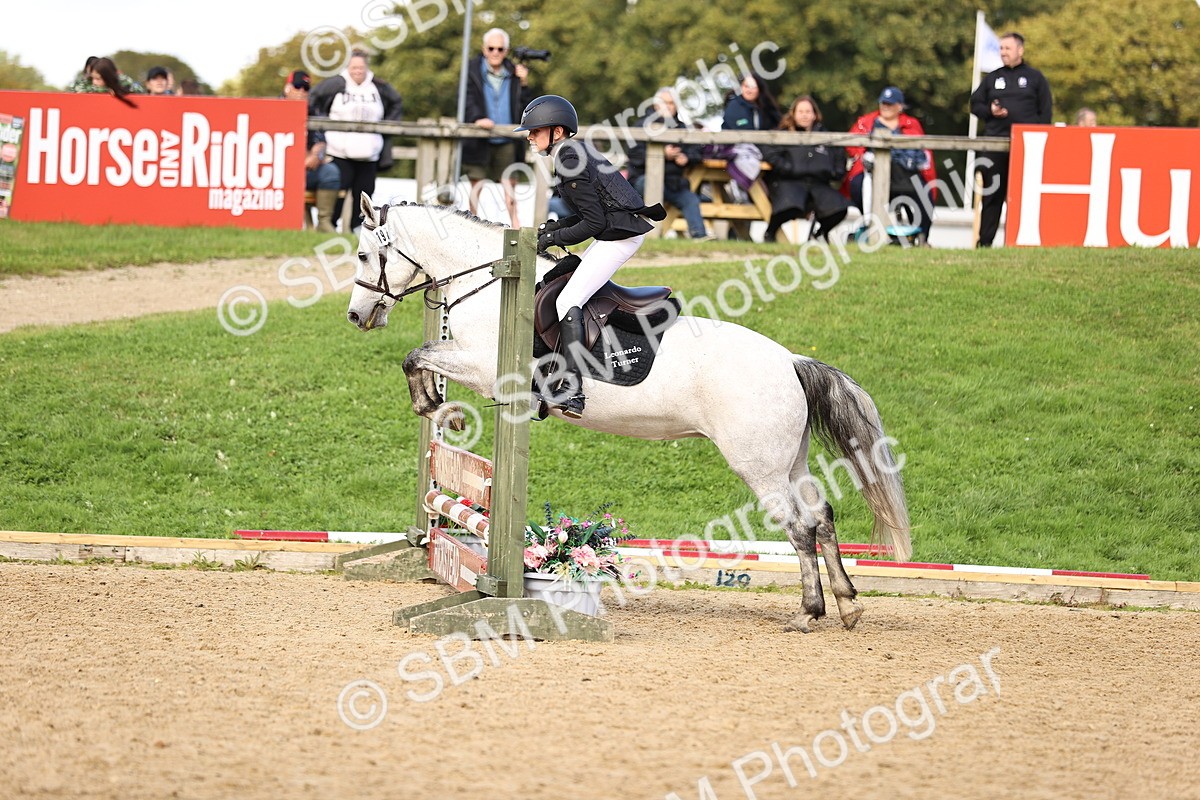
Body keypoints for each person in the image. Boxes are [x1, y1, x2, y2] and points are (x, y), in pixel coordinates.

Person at [515, 95, 665, 419]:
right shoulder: (571, 152)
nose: (529, 136)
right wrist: (554, 230)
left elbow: (594, 223)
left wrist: (554, 238)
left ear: (556, 131)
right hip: (613, 232)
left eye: (534, 130)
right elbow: (590, 214)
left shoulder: (568, 158)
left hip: (620, 238)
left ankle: (573, 389)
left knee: (566, 299)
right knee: (564, 285)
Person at [969, 32, 1052, 247]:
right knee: (992, 194)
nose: (1003, 52)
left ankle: (1024, 242)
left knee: (1026, 195)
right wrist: (990, 111)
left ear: (1020, 50)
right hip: (995, 145)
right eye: (1001, 48)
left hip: (1027, 148)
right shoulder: (993, 78)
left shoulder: (1035, 78)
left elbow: (1046, 113)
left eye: (1007, 48)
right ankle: (984, 243)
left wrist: (1038, 141)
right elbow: (975, 105)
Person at [309, 50, 403, 233]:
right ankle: (329, 229)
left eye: (361, 67)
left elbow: (397, 102)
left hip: (369, 154)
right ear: (347, 67)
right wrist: (321, 127)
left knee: (365, 195)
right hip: (339, 152)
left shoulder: (380, 87)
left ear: (366, 67)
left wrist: (388, 126)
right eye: (354, 67)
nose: (357, 71)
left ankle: (358, 230)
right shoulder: (334, 84)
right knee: (338, 193)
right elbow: (313, 101)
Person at [845, 86, 937, 243]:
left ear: (900, 106)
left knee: (924, 193)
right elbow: (852, 145)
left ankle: (921, 237)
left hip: (905, 175)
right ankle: (871, 228)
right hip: (871, 174)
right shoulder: (866, 122)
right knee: (857, 186)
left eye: (890, 104)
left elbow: (923, 153)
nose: (886, 107)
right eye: (883, 103)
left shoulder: (911, 124)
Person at [462, 28, 533, 228]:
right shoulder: (471, 69)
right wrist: (477, 118)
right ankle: (471, 224)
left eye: (500, 49)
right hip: (479, 136)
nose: (495, 52)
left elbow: (526, 105)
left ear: (506, 51)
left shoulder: (515, 72)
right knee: (476, 184)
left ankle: (516, 228)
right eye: (491, 48)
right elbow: (466, 99)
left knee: (510, 185)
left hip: (507, 137)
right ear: (484, 49)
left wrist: (524, 83)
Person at [760, 95, 849, 243]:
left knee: (839, 208)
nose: (804, 115)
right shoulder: (782, 134)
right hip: (789, 182)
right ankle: (770, 232)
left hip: (818, 184)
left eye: (808, 111)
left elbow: (839, 157)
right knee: (790, 206)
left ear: (815, 114)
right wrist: (786, 166)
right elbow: (768, 151)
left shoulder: (826, 136)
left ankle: (820, 234)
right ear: (793, 114)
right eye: (801, 111)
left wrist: (834, 172)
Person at [625, 88, 709, 241]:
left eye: (672, 103)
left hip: (673, 183)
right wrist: (663, 154)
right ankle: (649, 235)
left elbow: (698, 152)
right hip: (643, 180)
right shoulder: (642, 125)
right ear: (656, 105)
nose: (668, 106)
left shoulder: (682, 128)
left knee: (690, 199)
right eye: (665, 103)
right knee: (649, 183)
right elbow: (633, 154)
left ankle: (700, 236)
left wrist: (686, 157)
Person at [283, 69, 341, 232]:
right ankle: (302, 226)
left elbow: (321, 142)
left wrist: (316, 154)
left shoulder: (313, 110)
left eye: (306, 89)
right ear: (288, 88)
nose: (301, 92)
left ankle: (323, 223)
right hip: (279, 171)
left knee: (330, 172)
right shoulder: (274, 108)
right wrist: (297, 159)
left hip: (307, 168)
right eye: (297, 87)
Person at [717, 73, 782, 192]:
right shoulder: (734, 106)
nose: (749, 90)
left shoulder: (766, 107)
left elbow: (777, 126)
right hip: (742, 148)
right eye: (746, 86)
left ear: (759, 89)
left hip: (765, 149)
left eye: (753, 87)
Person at [71, 57, 144, 106]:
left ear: (108, 78)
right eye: (93, 78)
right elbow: (74, 89)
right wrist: (106, 91)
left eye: (98, 79)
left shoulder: (122, 80)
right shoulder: (87, 82)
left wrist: (119, 91)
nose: (94, 82)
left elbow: (139, 90)